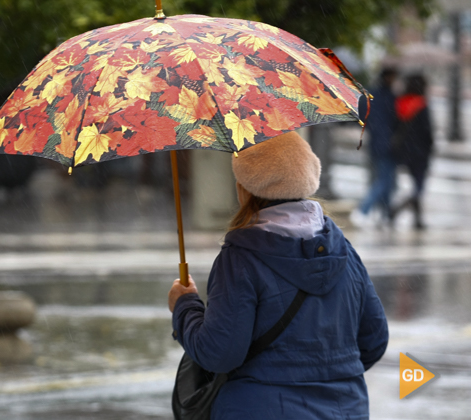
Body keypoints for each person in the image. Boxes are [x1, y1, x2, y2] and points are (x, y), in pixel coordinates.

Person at [168, 131, 389, 419]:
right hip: (345, 409)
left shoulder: (240, 259)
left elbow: (220, 354)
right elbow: (373, 341)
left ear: (243, 190)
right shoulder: (343, 251)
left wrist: (185, 306)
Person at [350, 67, 398, 228]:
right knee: (384, 180)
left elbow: (364, 117)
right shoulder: (389, 97)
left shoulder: (371, 96)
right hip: (387, 144)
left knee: (385, 180)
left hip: (376, 143)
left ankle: (385, 215)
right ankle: (363, 210)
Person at [390, 74, 434, 230]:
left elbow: (396, 126)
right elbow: (427, 131)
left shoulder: (401, 102)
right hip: (420, 153)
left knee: (416, 185)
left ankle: (418, 220)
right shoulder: (422, 105)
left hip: (406, 152)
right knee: (419, 187)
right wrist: (430, 147)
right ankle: (399, 208)